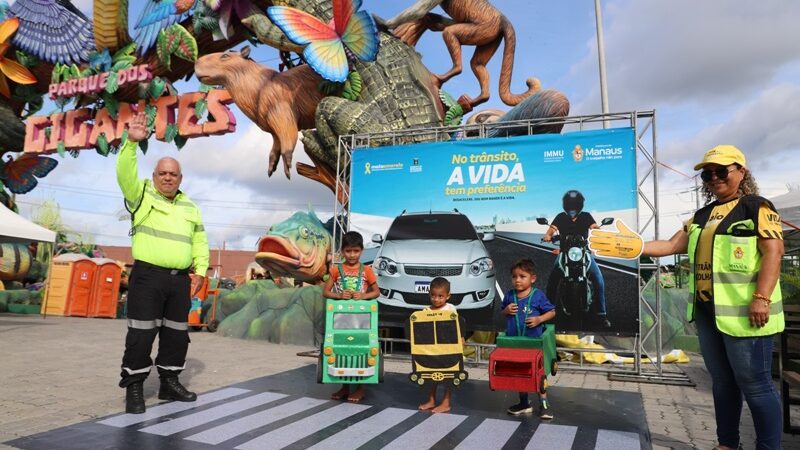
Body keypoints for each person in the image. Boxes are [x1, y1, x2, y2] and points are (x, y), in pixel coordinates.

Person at [630, 145, 783, 450]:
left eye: (721, 171)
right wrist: (630, 246)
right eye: (707, 174)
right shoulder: (702, 215)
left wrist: (761, 298)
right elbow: (671, 245)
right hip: (708, 311)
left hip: (747, 314)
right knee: (723, 382)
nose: (713, 178)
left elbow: (774, 252)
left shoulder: (756, 207)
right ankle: (727, 444)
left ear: (741, 171)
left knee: (755, 385)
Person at [117, 112, 209, 414]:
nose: (168, 177)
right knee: (141, 334)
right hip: (147, 277)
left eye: (173, 174)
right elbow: (124, 175)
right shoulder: (141, 194)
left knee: (176, 334)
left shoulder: (191, 207)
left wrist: (201, 271)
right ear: (154, 176)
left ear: (180, 179)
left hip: (180, 280)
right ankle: (134, 386)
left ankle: (169, 383)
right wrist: (130, 144)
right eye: (162, 173)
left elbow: (200, 241)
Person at [322, 231, 380, 402]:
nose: (352, 255)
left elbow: (376, 292)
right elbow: (326, 292)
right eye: (348, 251)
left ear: (361, 251)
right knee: (341, 350)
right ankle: (344, 387)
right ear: (342, 252)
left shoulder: (367, 271)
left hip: (361, 320)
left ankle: (361, 388)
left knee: (361, 350)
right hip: (340, 319)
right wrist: (339, 296)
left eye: (355, 251)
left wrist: (362, 296)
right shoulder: (335, 270)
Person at [542, 190, 611, 328]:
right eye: (570, 204)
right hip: (564, 252)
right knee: (551, 283)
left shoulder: (586, 216)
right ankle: (547, 313)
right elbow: (551, 230)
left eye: (574, 204)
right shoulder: (561, 217)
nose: (572, 207)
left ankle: (601, 314)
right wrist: (548, 236)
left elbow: (594, 226)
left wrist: (599, 230)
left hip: (584, 252)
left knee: (598, 280)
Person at [501, 258, 556, 420]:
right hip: (515, 344)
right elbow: (502, 312)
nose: (517, 280)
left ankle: (544, 404)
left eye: (522, 276)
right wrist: (506, 310)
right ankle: (524, 403)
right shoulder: (509, 295)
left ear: (532, 278)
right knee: (520, 373)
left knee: (538, 375)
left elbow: (552, 312)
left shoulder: (538, 295)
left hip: (533, 344)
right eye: (514, 276)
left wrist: (539, 320)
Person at [417, 277, 462, 413]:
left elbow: (457, 326)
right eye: (433, 296)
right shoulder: (425, 311)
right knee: (431, 376)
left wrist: (461, 338)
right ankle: (431, 400)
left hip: (448, 349)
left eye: (440, 296)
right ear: (429, 294)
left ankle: (446, 402)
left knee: (449, 376)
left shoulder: (451, 309)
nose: (436, 299)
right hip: (432, 350)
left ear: (448, 296)